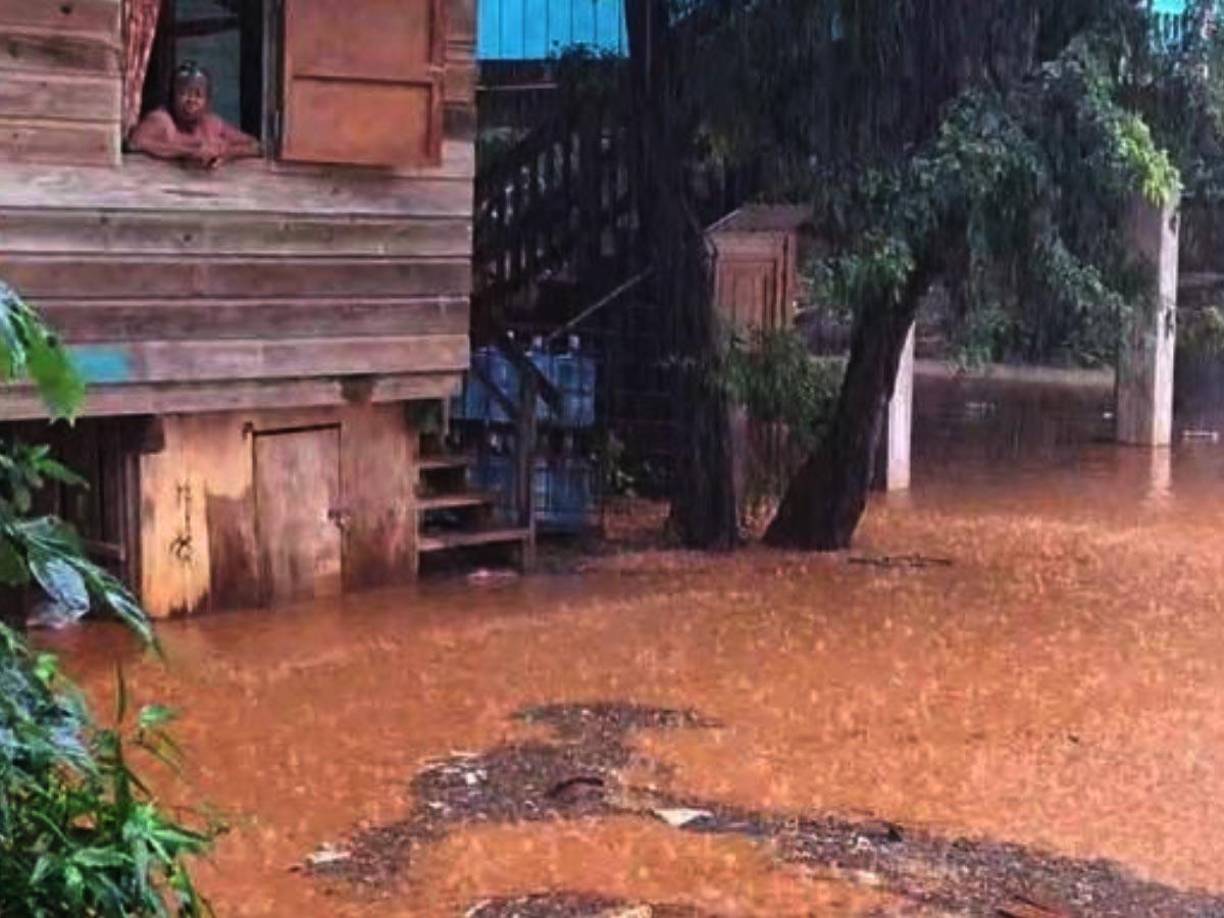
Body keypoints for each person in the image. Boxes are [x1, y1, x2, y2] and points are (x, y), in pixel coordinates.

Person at [129, 61, 262, 169]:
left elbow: (255, 145)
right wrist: (188, 151)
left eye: (198, 95)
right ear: (172, 97)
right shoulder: (161, 120)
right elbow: (135, 143)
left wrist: (226, 153)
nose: (191, 100)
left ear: (208, 101)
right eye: (184, 94)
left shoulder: (213, 124)